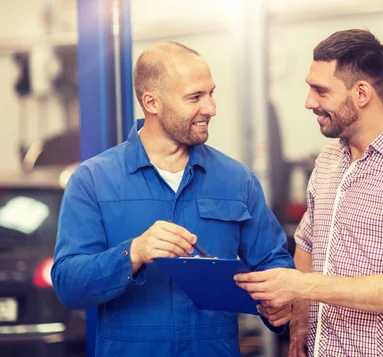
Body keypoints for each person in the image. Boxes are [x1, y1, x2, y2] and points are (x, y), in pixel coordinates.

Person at [51, 41, 294, 356]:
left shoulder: (237, 179)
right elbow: (69, 284)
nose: (210, 108)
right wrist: (134, 252)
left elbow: (273, 261)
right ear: (152, 102)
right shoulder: (93, 181)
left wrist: (279, 304)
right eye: (195, 97)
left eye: (211, 93)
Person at [234, 29, 383, 356]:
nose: (309, 102)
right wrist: (299, 322)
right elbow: (308, 246)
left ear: (362, 93)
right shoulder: (328, 160)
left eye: (320, 91)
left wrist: (303, 286)